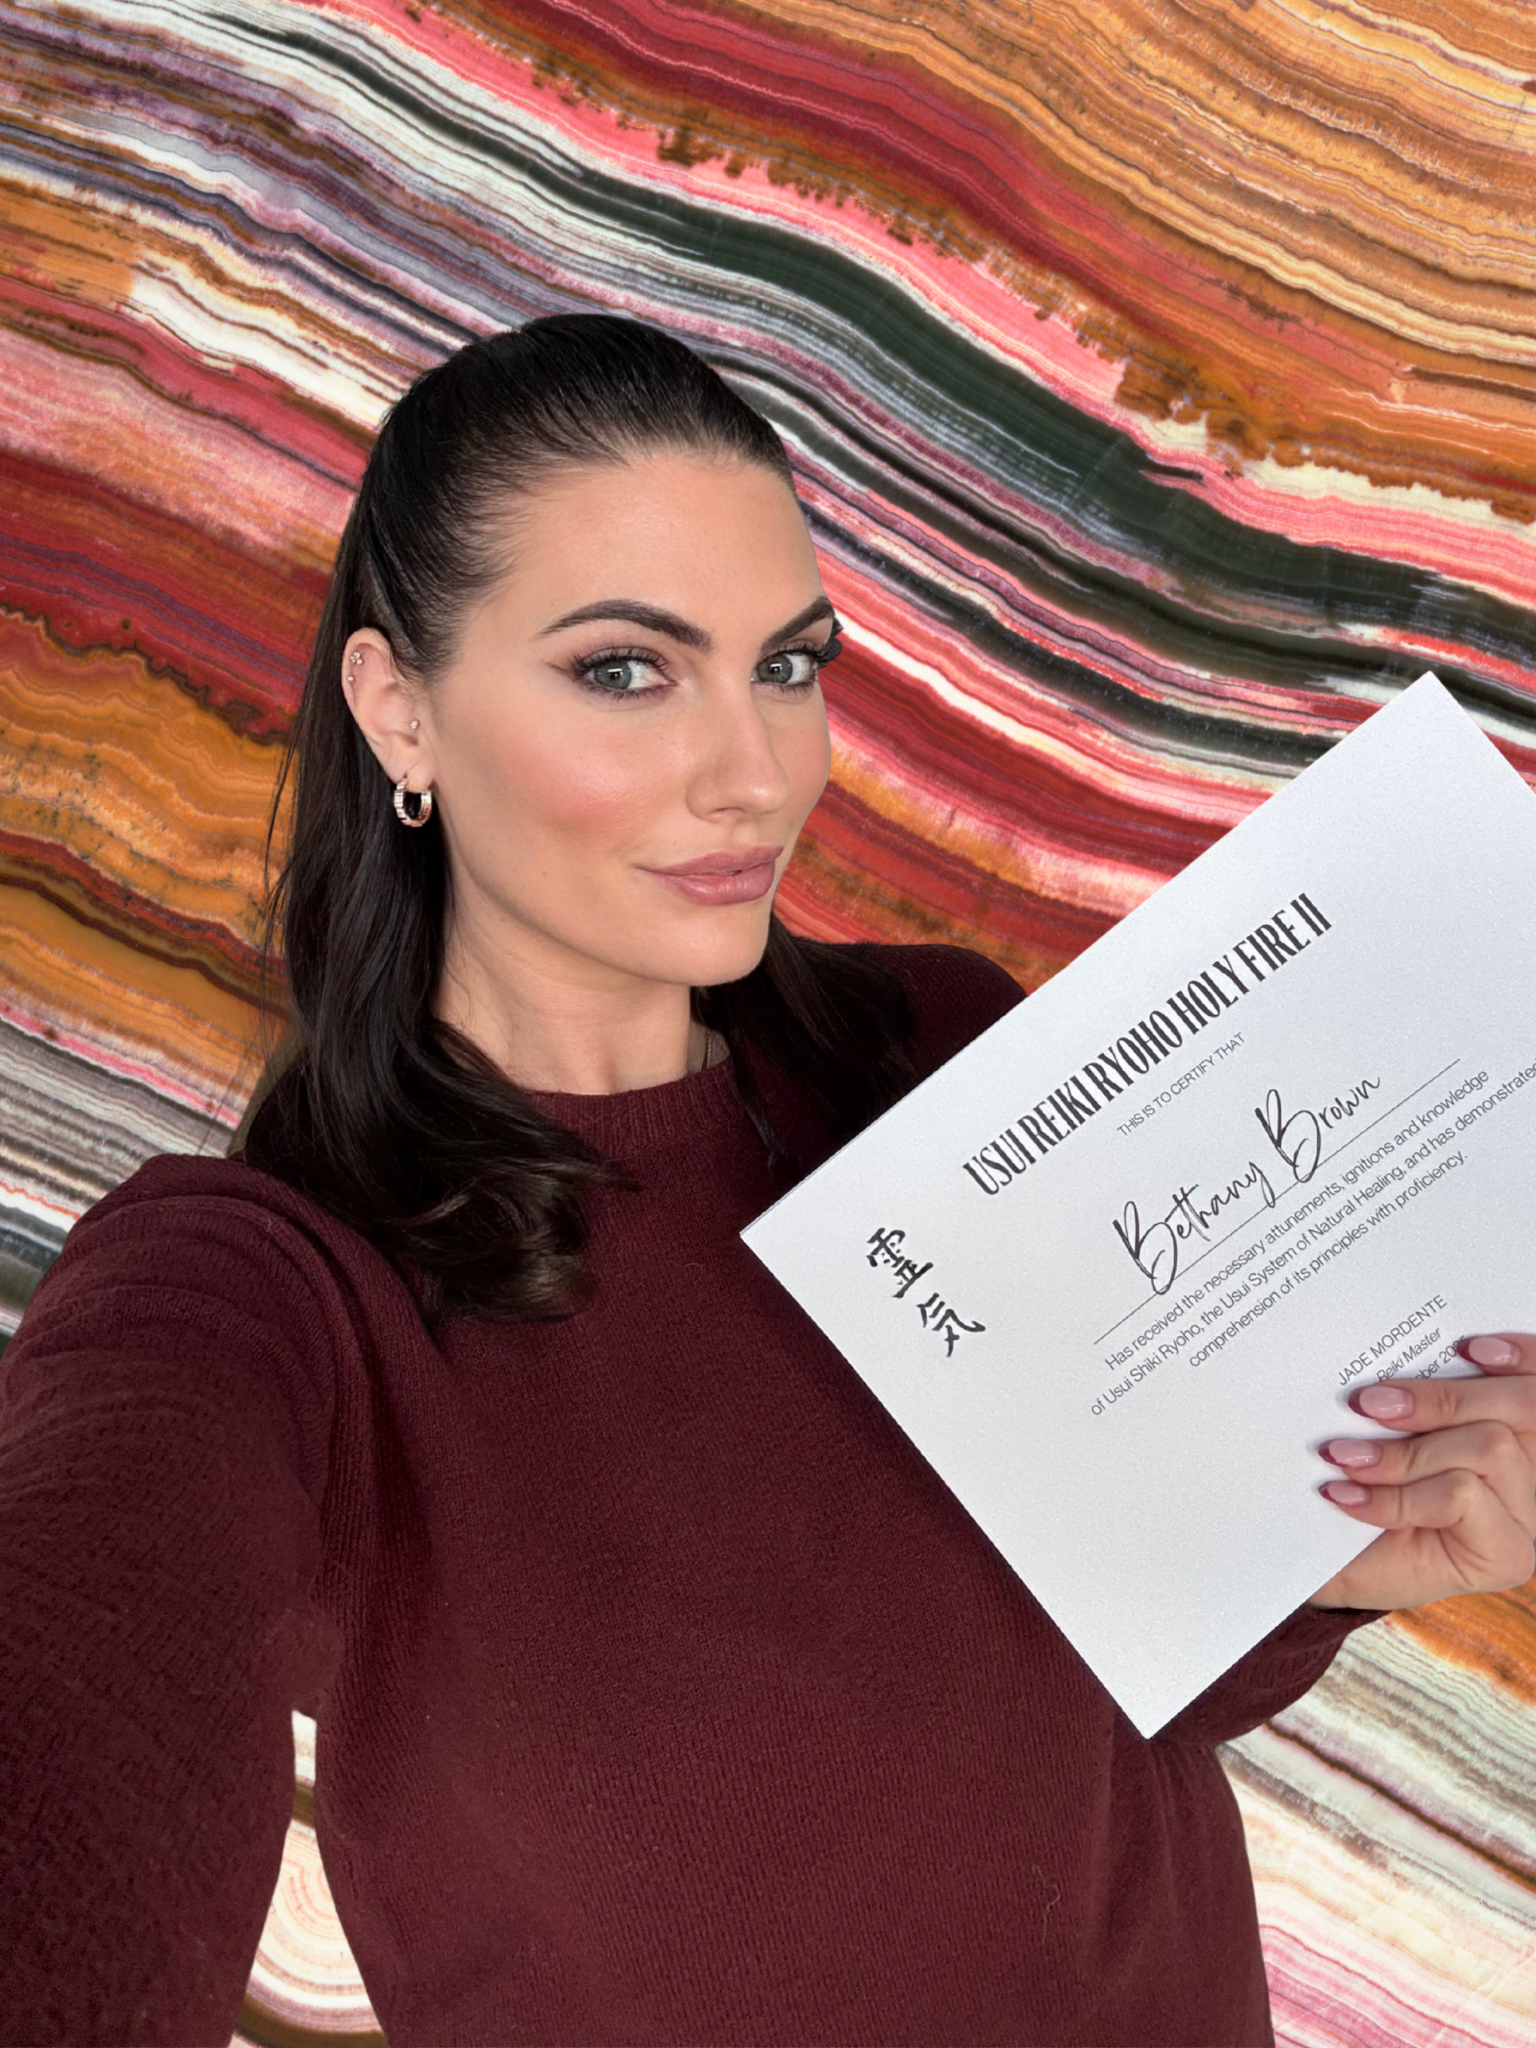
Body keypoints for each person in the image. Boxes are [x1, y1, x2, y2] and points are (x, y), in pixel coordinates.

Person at [1, 315, 1532, 2048]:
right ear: (397, 709)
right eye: (625, 670)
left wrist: (1348, 1554)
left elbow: (1109, 1703)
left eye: (788, 666)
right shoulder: (256, 1295)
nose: (759, 774)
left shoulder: (940, 1055)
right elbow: (80, 1702)